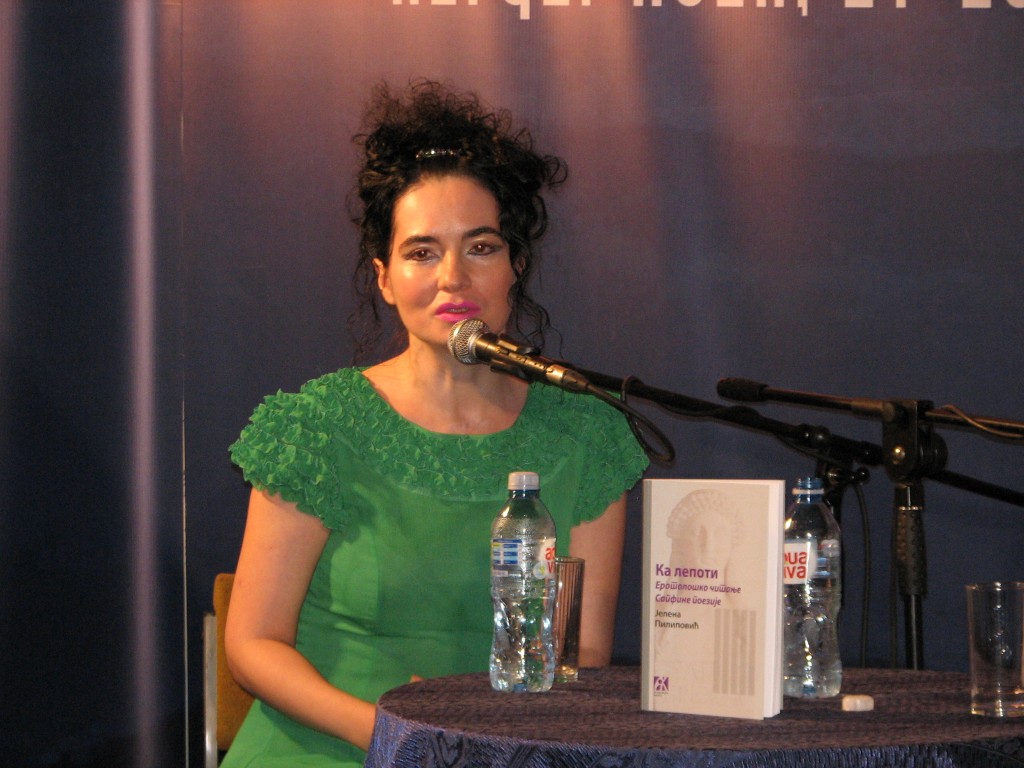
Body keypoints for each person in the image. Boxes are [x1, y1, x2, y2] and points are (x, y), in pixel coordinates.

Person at [222, 80, 649, 767]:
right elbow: (253, 643)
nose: (453, 277)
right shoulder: (315, 426)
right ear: (385, 277)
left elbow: (583, 656)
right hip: (333, 747)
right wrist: (395, 734)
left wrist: (478, 740)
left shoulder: (587, 434)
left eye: (480, 247)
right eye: (422, 252)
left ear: (515, 266)